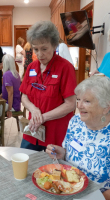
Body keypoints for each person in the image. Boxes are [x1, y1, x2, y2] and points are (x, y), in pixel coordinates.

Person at [46, 76, 110, 200]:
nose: (79, 106)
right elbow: (72, 153)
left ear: (106, 107)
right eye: (78, 99)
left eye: (87, 101)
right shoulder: (76, 121)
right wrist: (62, 153)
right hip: (72, 189)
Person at [20, 21, 77, 151]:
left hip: (55, 134)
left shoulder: (65, 68)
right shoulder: (31, 67)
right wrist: (34, 110)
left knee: (51, 170)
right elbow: (24, 97)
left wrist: (43, 117)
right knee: (25, 164)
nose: (40, 54)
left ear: (54, 45)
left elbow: (71, 104)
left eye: (44, 49)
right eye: (36, 49)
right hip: (32, 130)